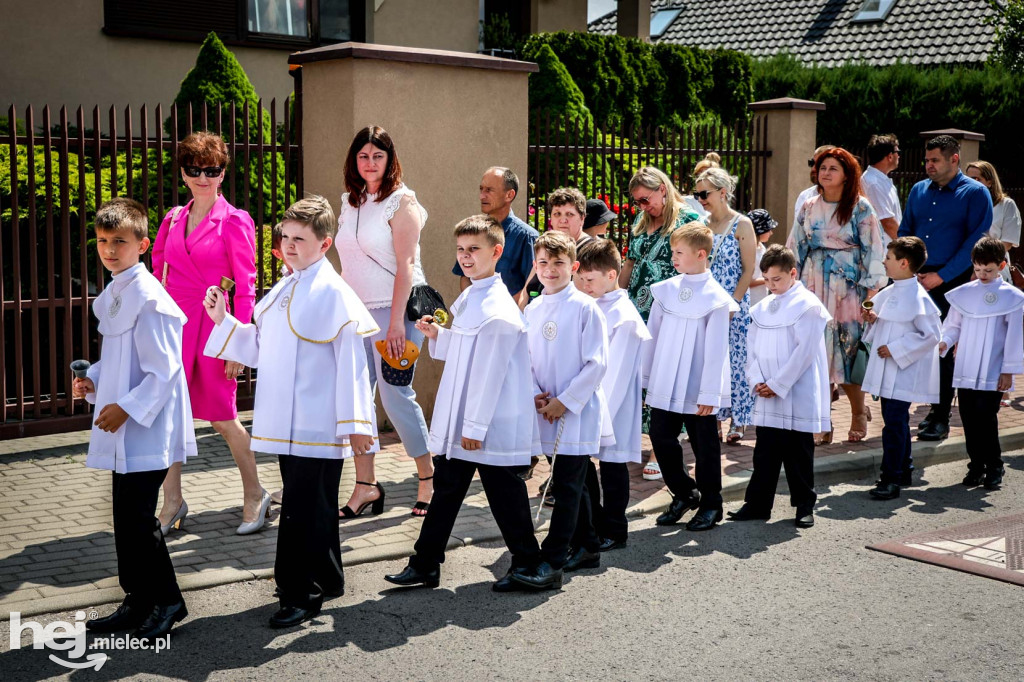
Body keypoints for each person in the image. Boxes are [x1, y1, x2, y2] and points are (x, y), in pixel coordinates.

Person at [203, 196, 378, 629]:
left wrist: (357, 424)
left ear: (325, 243)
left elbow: (353, 364)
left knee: (301, 510)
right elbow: (263, 348)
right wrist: (224, 321)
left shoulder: (334, 293)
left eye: (299, 238)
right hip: (286, 421)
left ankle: (298, 594)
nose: (289, 245)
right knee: (314, 506)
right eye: (284, 237)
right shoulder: (286, 284)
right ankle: (328, 578)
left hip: (318, 422)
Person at [384, 215, 542, 592]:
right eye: (461, 250)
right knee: (448, 489)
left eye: (474, 250)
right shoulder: (474, 294)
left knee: (505, 495)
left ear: (497, 252)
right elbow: (468, 351)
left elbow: (489, 375)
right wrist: (439, 335)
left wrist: (473, 428)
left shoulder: (498, 311)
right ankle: (425, 563)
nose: (466, 257)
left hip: (487, 423)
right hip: (467, 420)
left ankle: (531, 564)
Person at [75, 198, 193, 640]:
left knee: (140, 518)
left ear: (142, 245)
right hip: (126, 425)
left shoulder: (149, 299)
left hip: (148, 426)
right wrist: (94, 383)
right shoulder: (116, 292)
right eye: (103, 241)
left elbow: (164, 370)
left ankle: (168, 600)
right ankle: (137, 598)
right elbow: (119, 359)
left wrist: (125, 406)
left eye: (119, 242)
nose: (109, 249)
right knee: (125, 517)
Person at [151, 131, 268, 536]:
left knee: (223, 417)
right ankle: (172, 502)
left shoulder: (235, 221)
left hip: (216, 328)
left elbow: (247, 284)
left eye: (212, 170)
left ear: (223, 172)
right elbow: (157, 274)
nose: (203, 177)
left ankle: (255, 494)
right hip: (175, 328)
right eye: (195, 169)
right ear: (183, 172)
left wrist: (238, 341)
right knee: (169, 417)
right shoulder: (171, 219)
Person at [333, 126, 434, 517]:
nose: (370, 163)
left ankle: (427, 478)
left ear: (390, 159)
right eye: (363, 156)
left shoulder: (402, 201)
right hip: (357, 315)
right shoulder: (349, 201)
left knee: (395, 395)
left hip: (399, 312)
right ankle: (366, 486)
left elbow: (406, 268)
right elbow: (348, 264)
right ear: (353, 160)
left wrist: (395, 325)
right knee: (357, 402)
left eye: (378, 155)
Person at [513, 231, 610, 590]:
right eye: (543, 263)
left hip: (576, 411)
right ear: (535, 267)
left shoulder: (586, 307)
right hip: (546, 409)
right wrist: (537, 394)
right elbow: (527, 359)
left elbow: (597, 364)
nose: (550, 270)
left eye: (558, 263)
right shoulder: (534, 308)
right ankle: (587, 545)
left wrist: (563, 401)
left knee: (567, 485)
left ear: (574, 265)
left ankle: (552, 559)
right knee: (576, 481)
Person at [788, 146, 887, 444]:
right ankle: (823, 419)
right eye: (822, 167)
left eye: (832, 168)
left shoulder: (861, 208)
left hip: (849, 290)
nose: (825, 172)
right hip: (813, 285)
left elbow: (874, 254)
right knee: (816, 352)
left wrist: (870, 300)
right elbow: (795, 249)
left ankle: (858, 412)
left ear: (847, 175)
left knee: (848, 351)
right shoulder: (808, 206)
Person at [898, 135, 994, 442]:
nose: (928, 166)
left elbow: (974, 241)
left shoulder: (975, 193)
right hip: (914, 280)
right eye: (927, 160)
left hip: (951, 281)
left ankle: (939, 415)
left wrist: (942, 275)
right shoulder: (918, 190)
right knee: (910, 344)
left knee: (942, 348)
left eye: (935, 160)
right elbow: (905, 232)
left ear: (954, 159)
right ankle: (910, 408)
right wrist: (906, 270)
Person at [643, 223, 737, 532]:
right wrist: (646, 377)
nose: (674, 258)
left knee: (704, 446)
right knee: (660, 436)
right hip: (666, 378)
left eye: (679, 252)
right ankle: (685, 492)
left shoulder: (716, 298)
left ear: (700, 255)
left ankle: (711, 504)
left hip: (697, 385)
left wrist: (710, 393)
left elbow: (715, 350)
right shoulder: (666, 290)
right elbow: (652, 335)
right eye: (672, 251)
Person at [728, 244, 830, 528]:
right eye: (768, 280)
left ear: (793, 273)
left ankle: (804, 506)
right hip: (766, 390)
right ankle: (758, 504)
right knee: (765, 451)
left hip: (795, 389)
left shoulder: (808, 306)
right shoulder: (761, 308)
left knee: (799, 451)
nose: (772, 286)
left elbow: (805, 352)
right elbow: (752, 348)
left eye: (777, 279)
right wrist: (757, 380)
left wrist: (777, 383)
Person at [620, 166, 700, 482]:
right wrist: (618, 301)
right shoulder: (640, 224)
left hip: (672, 312)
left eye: (646, 199)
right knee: (642, 376)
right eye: (638, 201)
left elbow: (699, 266)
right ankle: (647, 439)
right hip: (639, 313)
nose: (643, 206)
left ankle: (659, 450)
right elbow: (629, 262)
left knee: (666, 377)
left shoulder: (689, 221)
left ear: (662, 190)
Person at [576, 239, 651, 551]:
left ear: (611, 275)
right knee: (586, 464)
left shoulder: (624, 317)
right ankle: (594, 522)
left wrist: (596, 413)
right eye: (579, 280)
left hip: (612, 403)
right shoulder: (593, 304)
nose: (584, 286)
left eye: (589, 280)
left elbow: (617, 373)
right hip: (589, 400)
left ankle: (616, 528)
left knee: (613, 464)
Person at [940, 236, 1024, 491]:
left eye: (987, 270)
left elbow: (1014, 336)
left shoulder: (1012, 297)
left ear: (1000, 266)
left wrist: (1008, 370)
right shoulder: (965, 293)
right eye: (977, 269)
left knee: (986, 419)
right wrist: (945, 341)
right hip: (966, 366)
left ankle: (994, 466)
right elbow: (954, 325)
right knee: (968, 418)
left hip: (992, 369)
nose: (982, 274)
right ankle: (975, 465)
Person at [860, 237, 941, 500]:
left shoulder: (918, 297)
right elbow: (884, 320)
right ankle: (903, 469)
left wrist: (896, 349)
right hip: (888, 370)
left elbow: (930, 335)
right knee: (897, 421)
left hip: (902, 371)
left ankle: (890, 478)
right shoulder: (890, 291)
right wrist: (872, 319)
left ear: (904, 263)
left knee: (894, 423)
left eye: (889, 257)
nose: (884, 261)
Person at [694, 167, 757, 444]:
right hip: (708, 306)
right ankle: (714, 418)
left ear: (722, 192)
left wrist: (735, 305)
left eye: (704, 193)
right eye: (698, 194)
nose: (701, 198)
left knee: (737, 362)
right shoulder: (701, 224)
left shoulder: (742, 224)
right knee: (711, 361)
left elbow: (748, 269)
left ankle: (738, 420)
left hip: (734, 304)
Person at [453, 167, 539, 297]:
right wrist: (473, 304)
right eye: (481, 189)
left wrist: (503, 309)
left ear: (509, 195)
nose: (482, 196)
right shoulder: (475, 229)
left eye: (489, 190)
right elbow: (464, 276)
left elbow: (532, 285)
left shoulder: (526, 236)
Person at [518, 187, 594, 308]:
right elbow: (525, 292)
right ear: (551, 219)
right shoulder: (545, 247)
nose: (563, 220)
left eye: (569, 214)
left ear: (582, 219)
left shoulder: (592, 252)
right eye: (557, 214)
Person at [966, 161, 1021, 282]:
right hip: (963, 267)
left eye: (977, 179)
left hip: (995, 268)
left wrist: (981, 266)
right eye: (968, 179)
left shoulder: (1006, 205)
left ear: (989, 182)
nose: (972, 183)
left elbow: (1007, 243)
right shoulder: (963, 205)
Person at [861, 134, 902, 243]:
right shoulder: (873, 182)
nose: (899, 156)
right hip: (882, 251)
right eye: (898, 152)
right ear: (890, 156)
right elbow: (887, 221)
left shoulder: (879, 179)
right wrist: (905, 247)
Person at [793, 145, 836, 220]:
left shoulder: (854, 202)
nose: (813, 169)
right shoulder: (805, 196)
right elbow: (799, 229)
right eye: (812, 163)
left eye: (820, 165)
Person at [747, 208, 778, 307]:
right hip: (750, 302)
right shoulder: (748, 250)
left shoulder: (760, 247)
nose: (771, 233)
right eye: (769, 229)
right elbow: (746, 281)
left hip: (760, 300)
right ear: (760, 230)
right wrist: (768, 279)